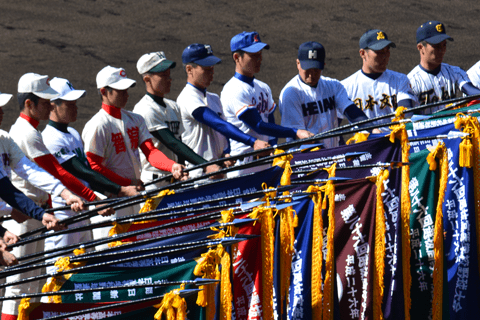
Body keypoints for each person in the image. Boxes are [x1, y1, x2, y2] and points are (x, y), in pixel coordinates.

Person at [82, 66, 187, 245]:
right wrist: (125, 184)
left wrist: (172, 166)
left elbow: (151, 152)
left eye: (126, 89)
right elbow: (94, 167)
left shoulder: (136, 119)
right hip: (110, 202)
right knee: (110, 255)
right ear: (103, 92)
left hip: (133, 196)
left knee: (136, 250)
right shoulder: (97, 125)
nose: (126, 93)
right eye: (120, 90)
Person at [41, 77, 140, 263]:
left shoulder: (73, 133)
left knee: (84, 267)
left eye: (75, 103)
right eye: (69, 104)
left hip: (82, 209)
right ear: (53, 105)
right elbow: (78, 171)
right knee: (60, 271)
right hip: (62, 213)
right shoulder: (49, 138)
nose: (75, 107)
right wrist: (120, 189)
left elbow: (87, 173)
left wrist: (106, 191)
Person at [220, 31, 314, 176]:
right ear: (237, 57)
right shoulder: (233, 89)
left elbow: (270, 122)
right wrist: (295, 132)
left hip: (265, 164)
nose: (259, 59)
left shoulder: (263, 87)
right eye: (254, 56)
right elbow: (258, 125)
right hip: (242, 168)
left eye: (260, 54)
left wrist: (273, 147)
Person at [176, 43, 269, 177]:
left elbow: (223, 135)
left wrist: (227, 152)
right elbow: (219, 124)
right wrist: (252, 141)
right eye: (206, 68)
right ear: (189, 69)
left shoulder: (214, 99)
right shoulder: (187, 98)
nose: (211, 72)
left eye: (212, 67)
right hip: (199, 176)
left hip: (220, 173)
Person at [133, 51, 222, 188]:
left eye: (169, 75)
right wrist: (205, 165)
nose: (169, 79)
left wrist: (184, 169)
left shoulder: (173, 106)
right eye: (163, 76)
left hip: (176, 178)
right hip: (154, 182)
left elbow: (179, 141)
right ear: (147, 79)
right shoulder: (145, 109)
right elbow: (171, 142)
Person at [279, 41, 371, 147]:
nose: (311, 75)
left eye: (316, 70)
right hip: (305, 156)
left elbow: (352, 112)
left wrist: (372, 128)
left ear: (323, 65)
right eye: (308, 69)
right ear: (298, 64)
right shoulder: (291, 93)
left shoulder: (333, 86)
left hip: (332, 154)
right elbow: (296, 137)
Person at [341, 29, 417, 130]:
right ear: (363, 53)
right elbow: (333, 124)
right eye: (379, 52)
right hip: (364, 144)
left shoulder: (400, 80)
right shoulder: (346, 87)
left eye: (387, 51)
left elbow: (407, 113)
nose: (385, 56)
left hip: (396, 142)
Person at [408, 21, 480, 114]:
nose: (442, 50)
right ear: (420, 47)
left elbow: (472, 91)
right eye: (437, 46)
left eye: (444, 45)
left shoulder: (455, 72)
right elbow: (408, 116)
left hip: (453, 126)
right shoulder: (410, 81)